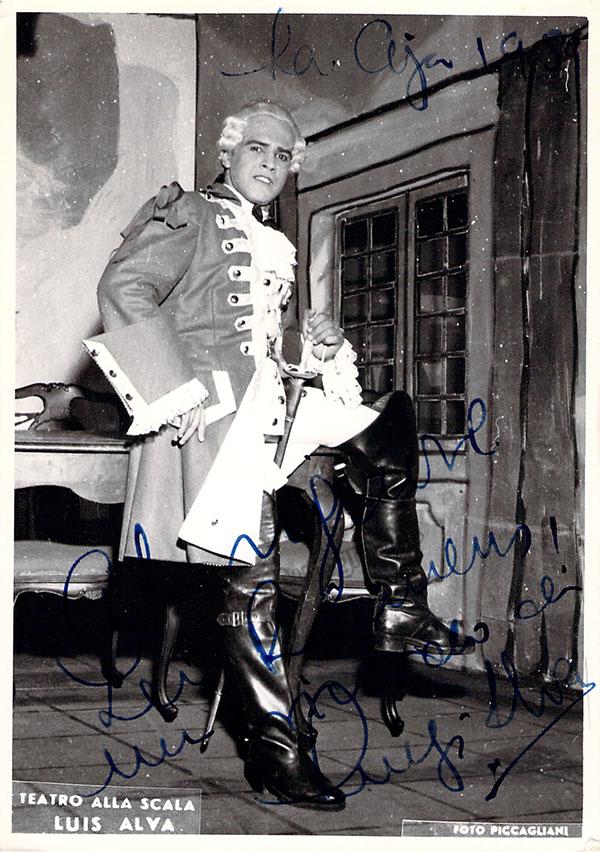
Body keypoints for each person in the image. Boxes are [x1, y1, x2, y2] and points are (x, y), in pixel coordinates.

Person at [96, 102, 472, 811]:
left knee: (388, 422)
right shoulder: (192, 214)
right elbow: (123, 287)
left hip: (269, 411)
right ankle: (278, 749)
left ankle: (400, 602)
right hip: (217, 426)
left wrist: (313, 344)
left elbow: (251, 340)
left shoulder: (268, 237)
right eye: (257, 149)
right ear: (228, 154)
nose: (270, 164)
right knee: (250, 588)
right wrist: (172, 392)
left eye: (282, 155)